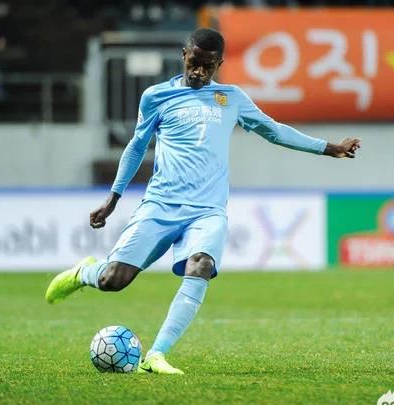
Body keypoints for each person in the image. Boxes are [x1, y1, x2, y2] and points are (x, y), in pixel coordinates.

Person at [45, 28, 361, 374]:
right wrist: (113, 197)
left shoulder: (231, 98)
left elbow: (274, 130)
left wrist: (328, 148)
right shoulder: (156, 96)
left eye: (207, 66)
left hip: (207, 211)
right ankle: (85, 272)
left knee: (201, 266)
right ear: (184, 55)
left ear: (219, 65)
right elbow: (136, 147)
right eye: (194, 63)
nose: (198, 72)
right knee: (113, 280)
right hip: (161, 205)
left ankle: (156, 355)